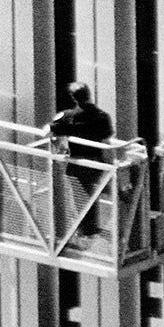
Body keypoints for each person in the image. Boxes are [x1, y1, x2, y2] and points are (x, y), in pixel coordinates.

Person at [48, 82, 114, 238]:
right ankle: (89, 227)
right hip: (95, 162)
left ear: (73, 98)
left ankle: (85, 229)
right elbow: (106, 142)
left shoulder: (68, 116)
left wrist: (57, 145)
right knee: (90, 193)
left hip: (76, 163)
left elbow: (48, 132)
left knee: (80, 196)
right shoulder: (102, 116)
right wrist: (108, 163)